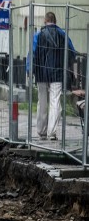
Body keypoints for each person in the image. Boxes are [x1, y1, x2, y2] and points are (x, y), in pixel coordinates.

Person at [29, 12, 77, 141]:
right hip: (57, 72)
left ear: (45, 21)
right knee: (55, 101)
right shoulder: (62, 34)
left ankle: (41, 131)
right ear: (55, 21)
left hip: (41, 73)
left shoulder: (38, 35)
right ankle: (52, 133)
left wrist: (29, 69)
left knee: (42, 101)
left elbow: (32, 54)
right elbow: (72, 52)